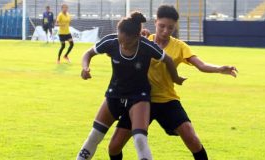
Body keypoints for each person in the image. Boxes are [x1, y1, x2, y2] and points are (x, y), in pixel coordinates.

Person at [107, 5, 238, 160]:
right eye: (162, 26)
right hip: (139, 101)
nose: (165, 31)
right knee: (114, 147)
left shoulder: (180, 46)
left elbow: (201, 65)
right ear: (155, 22)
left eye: (170, 28)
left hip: (166, 101)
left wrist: (220, 69)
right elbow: (121, 46)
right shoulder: (142, 40)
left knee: (192, 138)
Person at [76, 11, 185, 160]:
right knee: (94, 136)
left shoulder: (147, 46)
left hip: (138, 97)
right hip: (114, 95)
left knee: (139, 139)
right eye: (120, 39)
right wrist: (85, 67)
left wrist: (176, 78)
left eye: (126, 42)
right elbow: (88, 53)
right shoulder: (112, 41)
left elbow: (168, 60)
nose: (123, 45)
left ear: (137, 37)